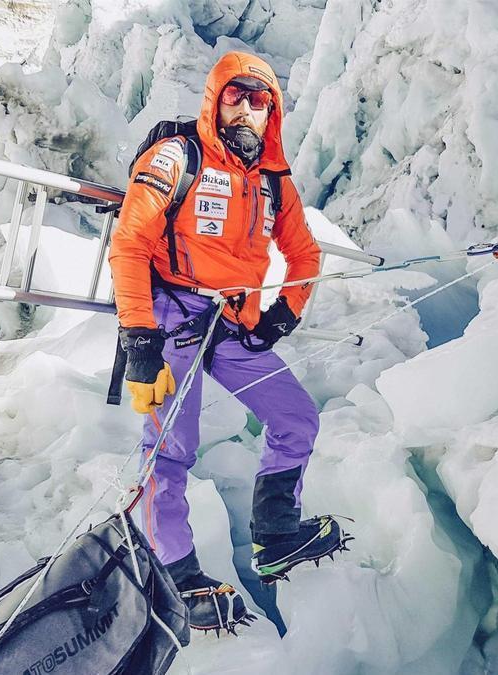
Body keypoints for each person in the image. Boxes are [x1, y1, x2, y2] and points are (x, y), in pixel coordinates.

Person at [109, 51, 346, 634]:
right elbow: (130, 244)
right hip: (172, 321)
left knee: (296, 417)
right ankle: (175, 573)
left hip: (233, 326)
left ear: (273, 113)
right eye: (236, 96)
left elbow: (304, 254)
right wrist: (140, 337)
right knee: (170, 449)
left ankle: (275, 533)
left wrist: (280, 316)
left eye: (259, 100)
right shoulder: (176, 157)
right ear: (215, 100)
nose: (247, 109)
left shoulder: (272, 180)